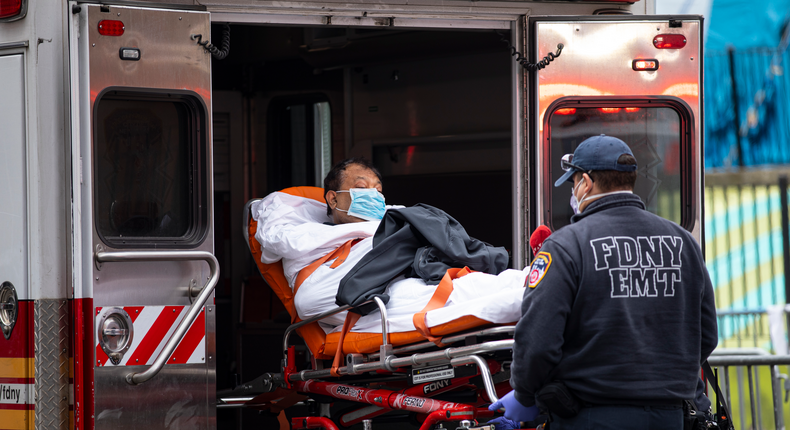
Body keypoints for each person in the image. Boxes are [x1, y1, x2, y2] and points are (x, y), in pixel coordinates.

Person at [490, 134, 718, 429]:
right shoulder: (684, 243)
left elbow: (539, 339)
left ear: (585, 182)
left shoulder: (565, 246)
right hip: (670, 416)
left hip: (592, 416)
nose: (573, 193)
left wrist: (523, 394)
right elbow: (707, 334)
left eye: (573, 183)